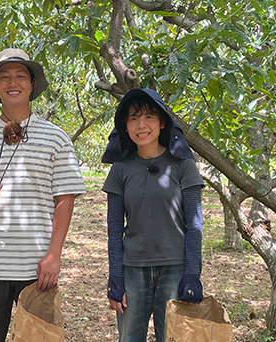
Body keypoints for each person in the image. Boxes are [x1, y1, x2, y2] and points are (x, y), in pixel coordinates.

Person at [0, 48, 86, 342]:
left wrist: (53, 255)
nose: (13, 83)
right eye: (5, 77)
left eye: (21, 76)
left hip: (37, 266)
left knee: (38, 338)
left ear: (32, 84)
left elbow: (64, 199)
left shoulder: (56, 138)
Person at [101, 88, 205, 342]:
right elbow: (114, 229)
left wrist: (192, 273)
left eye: (149, 117)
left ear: (161, 122)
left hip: (175, 269)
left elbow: (195, 224)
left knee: (173, 338)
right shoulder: (120, 170)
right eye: (133, 118)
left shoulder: (183, 166)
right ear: (125, 127)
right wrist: (115, 276)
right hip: (132, 272)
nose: (141, 125)